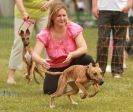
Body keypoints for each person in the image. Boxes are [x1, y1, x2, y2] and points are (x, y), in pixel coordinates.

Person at [32, 2, 95, 95]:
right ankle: (71, 84)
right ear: (52, 17)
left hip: (73, 63)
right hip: (56, 67)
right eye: (58, 16)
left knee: (87, 59)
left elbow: (83, 48)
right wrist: (41, 61)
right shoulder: (45, 34)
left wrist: (72, 54)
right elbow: (34, 54)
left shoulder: (73, 27)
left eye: (64, 15)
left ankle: (85, 83)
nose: (62, 18)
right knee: (49, 90)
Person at [7, 0, 55, 84]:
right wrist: (24, 12)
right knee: (19, 44)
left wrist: (49, 3)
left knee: (49, 43)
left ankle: (52, 74)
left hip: (43, 14)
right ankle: (11, 76)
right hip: (24, 14)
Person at [92, 0, 133, 78]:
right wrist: (94, 6)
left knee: (119, 42)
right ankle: (99, 70)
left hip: (122, 9)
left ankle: (117, 71)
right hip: (103, 9)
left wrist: (130, 4)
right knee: (102, 41)